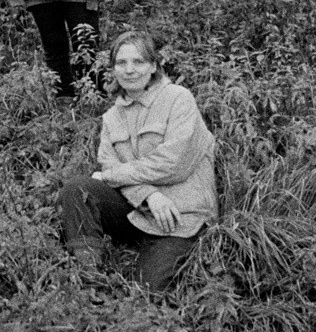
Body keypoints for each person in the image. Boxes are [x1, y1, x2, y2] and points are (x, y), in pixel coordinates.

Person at [56, 30, 216, 292]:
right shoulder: (111, 117)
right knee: (77, 189)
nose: (130, 70)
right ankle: (88, 280)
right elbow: (109, 166)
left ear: (153, 66)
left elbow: (174, 164)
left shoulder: (178, 99)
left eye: (138, 62)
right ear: (114, 69)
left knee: (145, 292)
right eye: (121, 63)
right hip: (137, 209)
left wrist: (111, 176)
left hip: (180, 218)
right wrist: (149, 195)